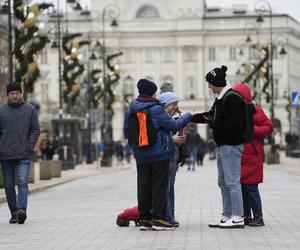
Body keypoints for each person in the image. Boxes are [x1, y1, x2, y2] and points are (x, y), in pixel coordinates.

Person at [124, 79, 195, 231]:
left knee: (143, 186)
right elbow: (174, 125)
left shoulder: (130, 109)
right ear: (151, 93)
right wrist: (189, 115)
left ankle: (145, 219)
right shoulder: (156, 109)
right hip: (159, 154)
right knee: (159, 187)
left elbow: (126, 132)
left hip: (140, 154)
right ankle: (160, 219)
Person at [191, 66, 245, 229]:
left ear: (216, 83)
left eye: (209, 83)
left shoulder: (232, 98)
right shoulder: (221, 98)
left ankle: (237, 217)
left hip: (231, 145)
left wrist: (214, 125)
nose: (208, 86)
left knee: (232, 182)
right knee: (223, 182)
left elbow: (235, 124)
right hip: (223, 146)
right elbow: (210, 115)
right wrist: (192, 117)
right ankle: (227, 215)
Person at [233, 83, 273, 227]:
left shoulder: (256, 110)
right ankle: (246, 216)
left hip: (252, 155)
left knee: (251, 188)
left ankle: (258, 216)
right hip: (239, 154)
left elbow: (268, 127)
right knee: (242, 188)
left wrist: (251, 128)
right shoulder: (234, 112)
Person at [0, 82, 40, 224]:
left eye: (17, 93)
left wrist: (29, 147)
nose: (15, 96)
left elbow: (35, 130)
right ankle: (14, 212)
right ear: (8, 95)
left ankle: (22, 210)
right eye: (12, 93)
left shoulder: (30, 110)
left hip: (23, 154)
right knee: (9, 185)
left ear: (21, 93)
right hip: (5, 155)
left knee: (22, 182)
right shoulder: (2, 112)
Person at [158, 91, 186, 227]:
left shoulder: (170, 116)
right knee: (166, 187)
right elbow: (157, 136)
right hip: (165, 155)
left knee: (170, 186)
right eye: (173, 104)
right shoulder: (161, 116)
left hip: (172, 155)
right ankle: (167, 216)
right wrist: (173, 139)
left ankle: (171, 213)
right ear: (166, 104)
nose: (175, 107)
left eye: (176, 104)